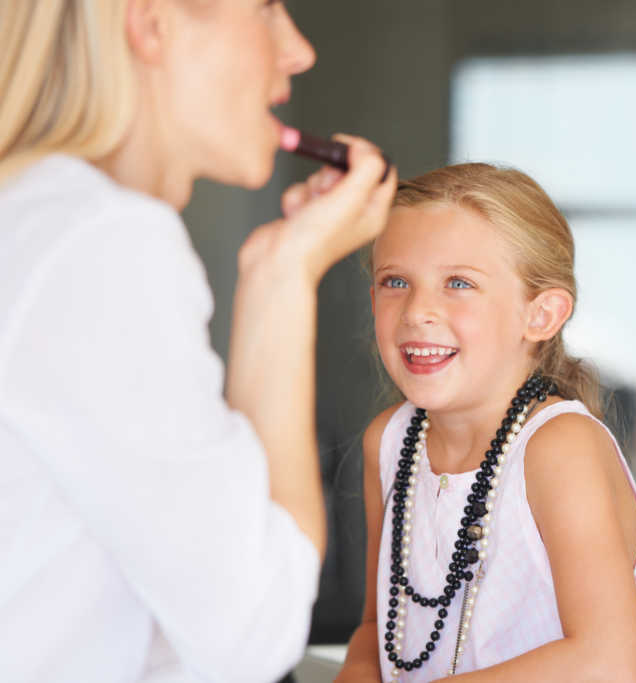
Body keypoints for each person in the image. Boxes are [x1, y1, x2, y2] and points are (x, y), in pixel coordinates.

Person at [0, 1, 395, 681]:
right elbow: (254, 631)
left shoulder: (39, 222)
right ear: (153, 22)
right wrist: (285, 277)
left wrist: (274, 268)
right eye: (266, 8)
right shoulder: (102, 245)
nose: (299, 50)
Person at [334, 164, 636, 682]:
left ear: (540, 315)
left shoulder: (558, 447)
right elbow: (377, 627)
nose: (416, 311)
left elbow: (607, 662)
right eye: (396, 281)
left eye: (458, 283)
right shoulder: (388, 441)